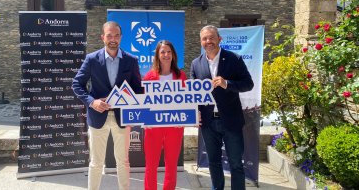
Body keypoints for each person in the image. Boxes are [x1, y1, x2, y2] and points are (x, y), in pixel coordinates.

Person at [72, 21, 143, 190]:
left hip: (122, 117)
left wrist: (136, 107)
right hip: (98, 116)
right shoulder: (91, 59)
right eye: (109, 35)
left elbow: (138, 89)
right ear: (102, 37)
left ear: (121, 37)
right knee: (96, 162)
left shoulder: (131, 61)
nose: (113, 39)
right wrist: (91, 101)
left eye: (116, 35)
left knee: (123, 161)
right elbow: (77, 84)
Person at [190, 25, 254, 190]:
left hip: (231, 121)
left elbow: (248, 84)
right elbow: (192, 94)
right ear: (201, 41)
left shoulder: (234, 59)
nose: (208, 41)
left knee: (236, 163)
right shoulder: (196, 64)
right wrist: (194, 112)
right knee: (213, 162)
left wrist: (228, 84)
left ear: (219, 39)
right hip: (208, 123)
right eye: (205, 38)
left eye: (212, 37)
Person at [143, 40, 187, 190]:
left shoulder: (181, 76)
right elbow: (144, 102)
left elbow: (187, 100)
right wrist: (145, 119)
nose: (166, 55)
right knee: (151, 165)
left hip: (175, 126)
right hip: (153, 127)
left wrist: (187, 117)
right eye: (162, 52)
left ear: (173, 55)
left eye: (169, 52)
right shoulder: (149, 76)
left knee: (171, 165)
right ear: (157, 55)